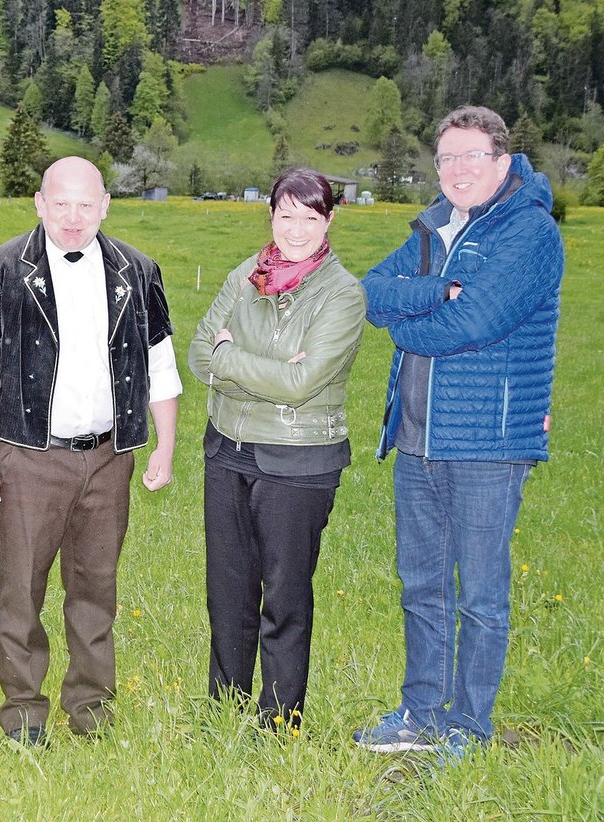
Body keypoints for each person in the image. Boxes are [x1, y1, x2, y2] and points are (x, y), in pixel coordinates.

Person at [0, 156, 182, 746]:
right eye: (61, 203)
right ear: (39, 203)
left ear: (105, 205)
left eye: (86, 205)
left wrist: (165, 448)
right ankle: (24, 715)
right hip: (28, 457)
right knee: (21, 590)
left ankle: (92, 711)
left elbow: (161, 364)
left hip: (110, 458)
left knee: (96, 588)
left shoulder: (139, 271)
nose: (74, 218)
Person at [354, 105, 563, 757]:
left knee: (480, 595)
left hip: (487, 444)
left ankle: (469, 725)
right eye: (446, 158)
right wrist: (437, 290)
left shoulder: (528, 232)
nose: (458, 170)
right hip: (416, 440)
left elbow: (475, 324)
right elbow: (369, 292)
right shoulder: (434, 227)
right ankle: (419, 712)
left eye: (472, 156)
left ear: (502, 162)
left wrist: (409, 319)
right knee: (421, 584)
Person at [188, 168, 366, 732]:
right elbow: (198, 354)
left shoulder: (343, 294)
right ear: (271, 215)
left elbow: (302, 383)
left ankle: (280, 717)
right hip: (228, 450)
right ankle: (225, 703)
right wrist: (249, 366)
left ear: (328, 220)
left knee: (285, 594)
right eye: (286, 215)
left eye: (309, 218)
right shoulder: (246, 275)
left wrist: (230, 359)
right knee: (228, 586)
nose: (295, 229)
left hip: (298, 460)